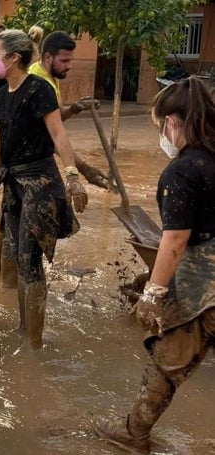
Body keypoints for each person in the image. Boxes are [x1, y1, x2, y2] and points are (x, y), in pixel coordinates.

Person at [94, 76, 215, 453]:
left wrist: (153, 293)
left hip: (205, 284)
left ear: (172, 123)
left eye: (159, 125)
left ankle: (133, 433)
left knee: (168, 359)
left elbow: (175, 241)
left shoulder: (181, 171)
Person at [0, 29, 88, 350]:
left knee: (30, 257)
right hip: (14, 184)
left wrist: (73, 175)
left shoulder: (38, 90)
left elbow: (58, 134)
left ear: (13, 58)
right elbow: (2, 140)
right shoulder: (3, 95)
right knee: (18, 257)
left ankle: (34, 343)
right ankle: (24, 329)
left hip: (40, 183)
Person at [0, 30, 105, 287]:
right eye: (65, 61)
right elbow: (51, 132)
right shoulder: (30, 84)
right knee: (11, 236)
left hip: (28, 165)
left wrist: (74, 172)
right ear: (48, 57)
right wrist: (78, 169)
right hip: (13, 157)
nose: (69, 66)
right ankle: (2, 281)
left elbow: (53, 129)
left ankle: (3, 285)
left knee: (21, 247)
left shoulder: (44, 84)